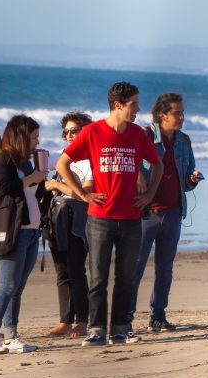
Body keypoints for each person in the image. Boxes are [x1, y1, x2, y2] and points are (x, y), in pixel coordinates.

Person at [56, 81, 162, 346]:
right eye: (134, 104)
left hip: (131, 219)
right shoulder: (93, 132)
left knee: (126, 277)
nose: (138, 109)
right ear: (118, 105)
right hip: (100, 217)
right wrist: (82, 194)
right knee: (98, 276)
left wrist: (148, 195)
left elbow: (157, 165)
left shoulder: (138, 134)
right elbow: (63, 163)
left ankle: (120, 329)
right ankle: (96, 330)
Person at [131, 92, 202, 332]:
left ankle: (157, 317)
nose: (182, 117)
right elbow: (129, 161)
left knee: (165, 268)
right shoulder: (145, 135)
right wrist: (138, 174)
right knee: (135, 267)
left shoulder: (184, 141)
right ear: (162, 115)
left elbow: (186, 179)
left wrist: (192, 179)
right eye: (176, 113)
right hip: (145, 213)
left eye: (182, 112)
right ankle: (125, 319)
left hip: (173, 212)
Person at [0, 115, 47, 355]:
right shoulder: (3, 159)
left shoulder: (25, 162)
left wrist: (40, 177)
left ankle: (11, 335)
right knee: (7, 285)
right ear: (21, 136)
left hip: (31, 229)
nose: (36, 142)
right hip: (13, 231)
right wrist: (32, 179)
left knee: (17, 287)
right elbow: (3, 189)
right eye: (33, 137)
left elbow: (31, 192)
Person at [44, 112, 93, 338]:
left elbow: (82, 192)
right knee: (62, 271)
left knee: (76, 270)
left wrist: (55, 184)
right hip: (58, 217)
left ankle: (83, 321)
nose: (70, 135)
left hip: (80, 218)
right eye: (67, 132)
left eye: (75, 130)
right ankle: (65, 320)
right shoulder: (64, 155)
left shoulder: (91, 158)